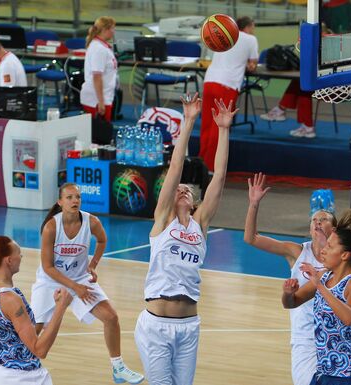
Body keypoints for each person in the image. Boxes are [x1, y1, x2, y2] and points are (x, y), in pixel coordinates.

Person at [135, 93, 238, 384]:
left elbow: (219, 176)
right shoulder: (163, 219)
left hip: (189, 325)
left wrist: (223, 129)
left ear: (194, 200)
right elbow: (176, 165)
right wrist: (189, 121)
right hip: (156, 324)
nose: (181, 189)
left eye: (187, 189)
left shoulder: (200, 224)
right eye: (176, 188)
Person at [31, 182, 144, 384]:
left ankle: (118, 368)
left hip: (80, 278)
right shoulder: (51, 227)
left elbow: (102, 240)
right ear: (60, 202)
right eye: (70, 197)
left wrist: (93, 265)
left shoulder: (91, 222)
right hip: (50, 281)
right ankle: (21, 366)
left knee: (111, 317)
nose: (75, 201)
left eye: (78, 197)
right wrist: (75, 288)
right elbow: (48, 267)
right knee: (35, 328)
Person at [244, 172, 337, 385]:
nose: (318, 222)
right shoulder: (296, 252)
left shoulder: (340, 258)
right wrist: (254, 204)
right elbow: (251, 238)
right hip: (305, 339)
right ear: (309, 228)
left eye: (324, 219)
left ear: (334, 228)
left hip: (333, 337)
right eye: (314, 219)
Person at [0, 235, 73, 385]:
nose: (21, 256)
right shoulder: (11, 300)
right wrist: (61, 308)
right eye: (18, 253)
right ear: (9, 260)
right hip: (24, 378)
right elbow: (39, 350)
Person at [282, 210, 351, 385]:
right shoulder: (323, 277)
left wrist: (319, 286)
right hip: (325, 374)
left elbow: (349, 318)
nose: (323, 251)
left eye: (330, 247)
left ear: (345, 255)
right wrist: (288, 293)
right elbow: (291, 303)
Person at [200, 16, 258, 172]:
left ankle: (201, 163)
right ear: (248, 26)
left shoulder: (224, 36)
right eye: (253, 26)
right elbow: (253, 64)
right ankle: (211, 167)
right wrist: (248, 64)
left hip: (210, 80)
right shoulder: (250, 39)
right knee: (219, 127)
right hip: (228, 84)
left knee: (206, 125)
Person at [80, 16, 118, 122]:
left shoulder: (101, 46)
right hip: (96, 99)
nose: (114, 32)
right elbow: (97, 76)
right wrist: (101, 101)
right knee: (99, 135)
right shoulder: (99, 49)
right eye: (112, 29)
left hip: (102, 96)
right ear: (105, 30)